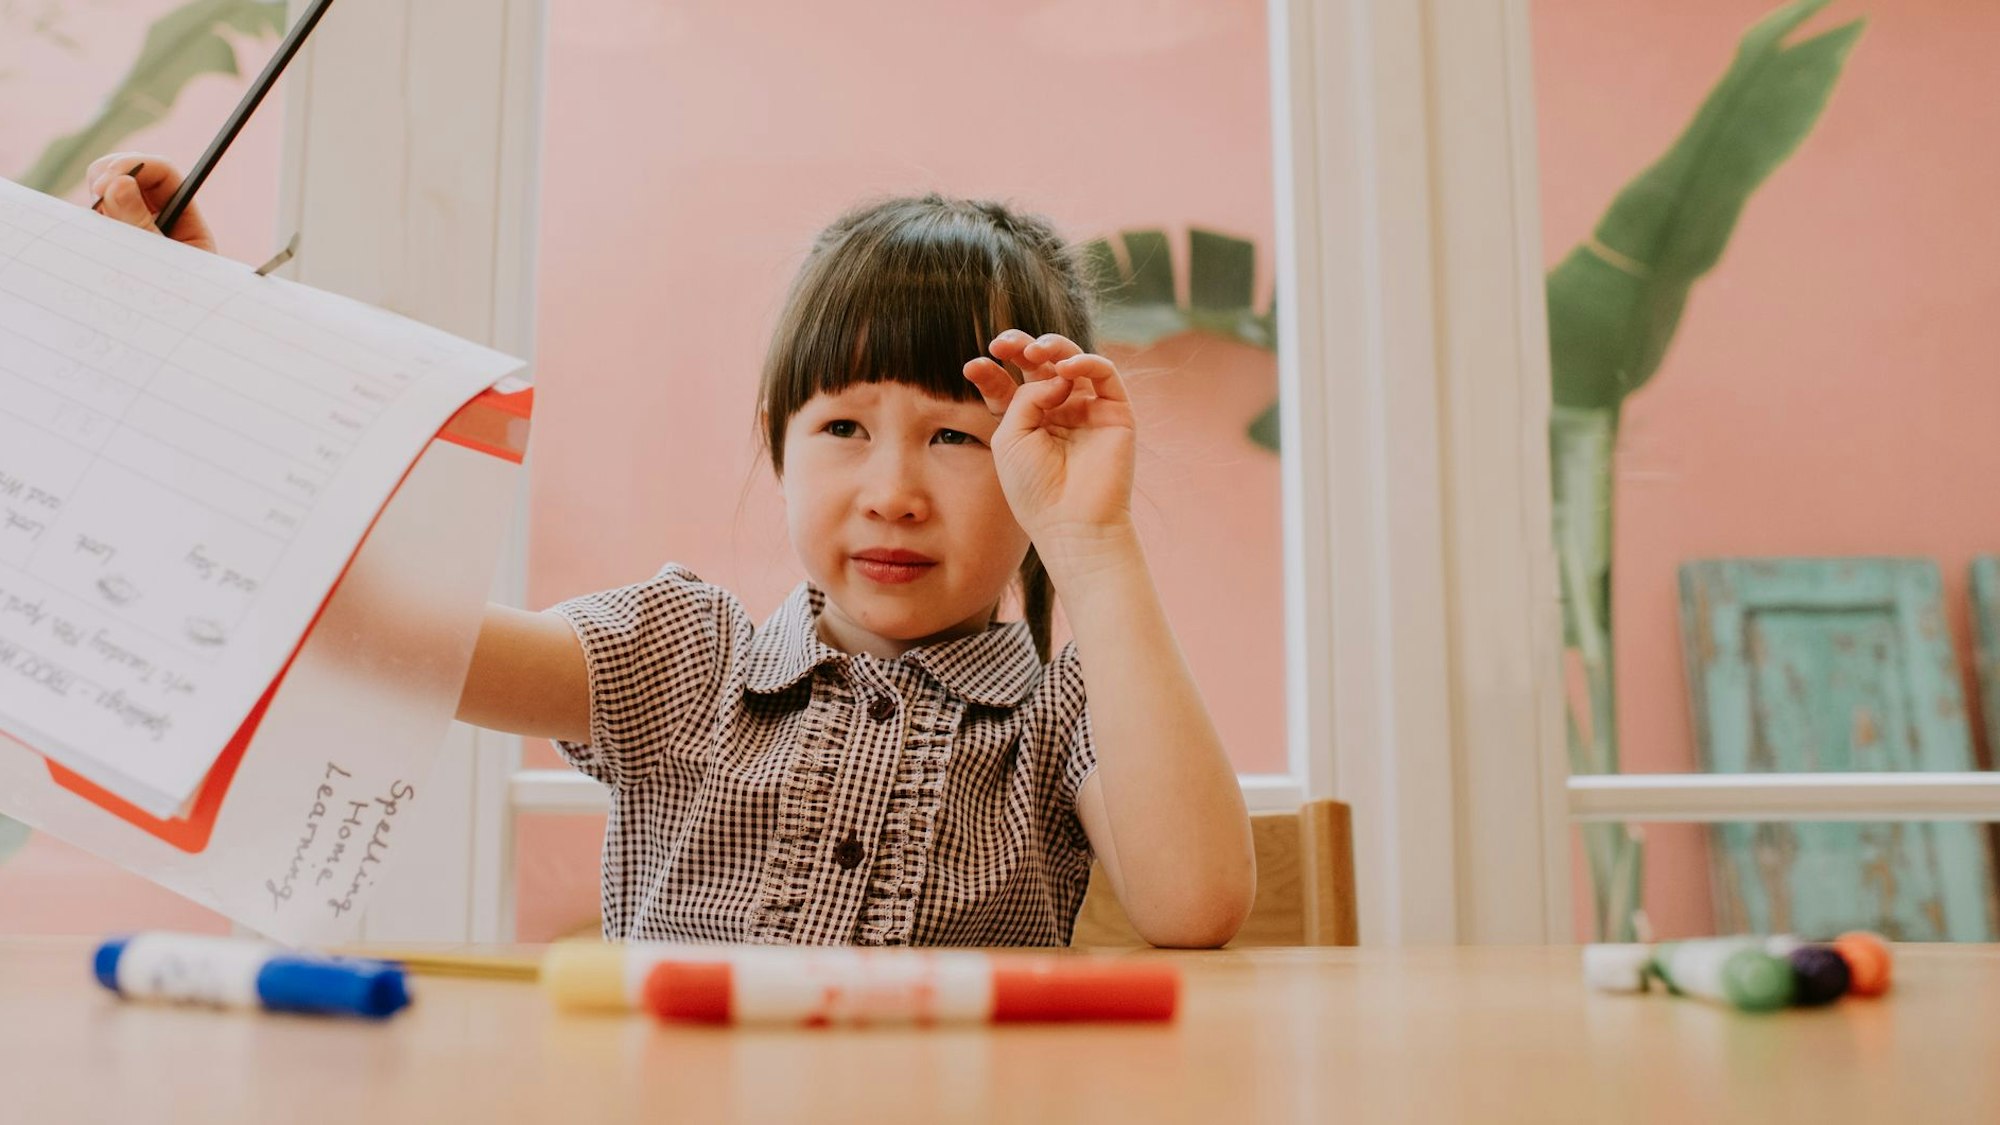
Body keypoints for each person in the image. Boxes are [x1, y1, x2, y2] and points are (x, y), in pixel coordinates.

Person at [82, 155, 1256, 948]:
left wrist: (1089, 539)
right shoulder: (680, 659)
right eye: (842, 428)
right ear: (776, 446)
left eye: (956, 437)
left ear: (1029, 461)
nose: (892, 493)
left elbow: (1194, 901)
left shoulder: (1062, 715)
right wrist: (198, 336)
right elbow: (371, 625)